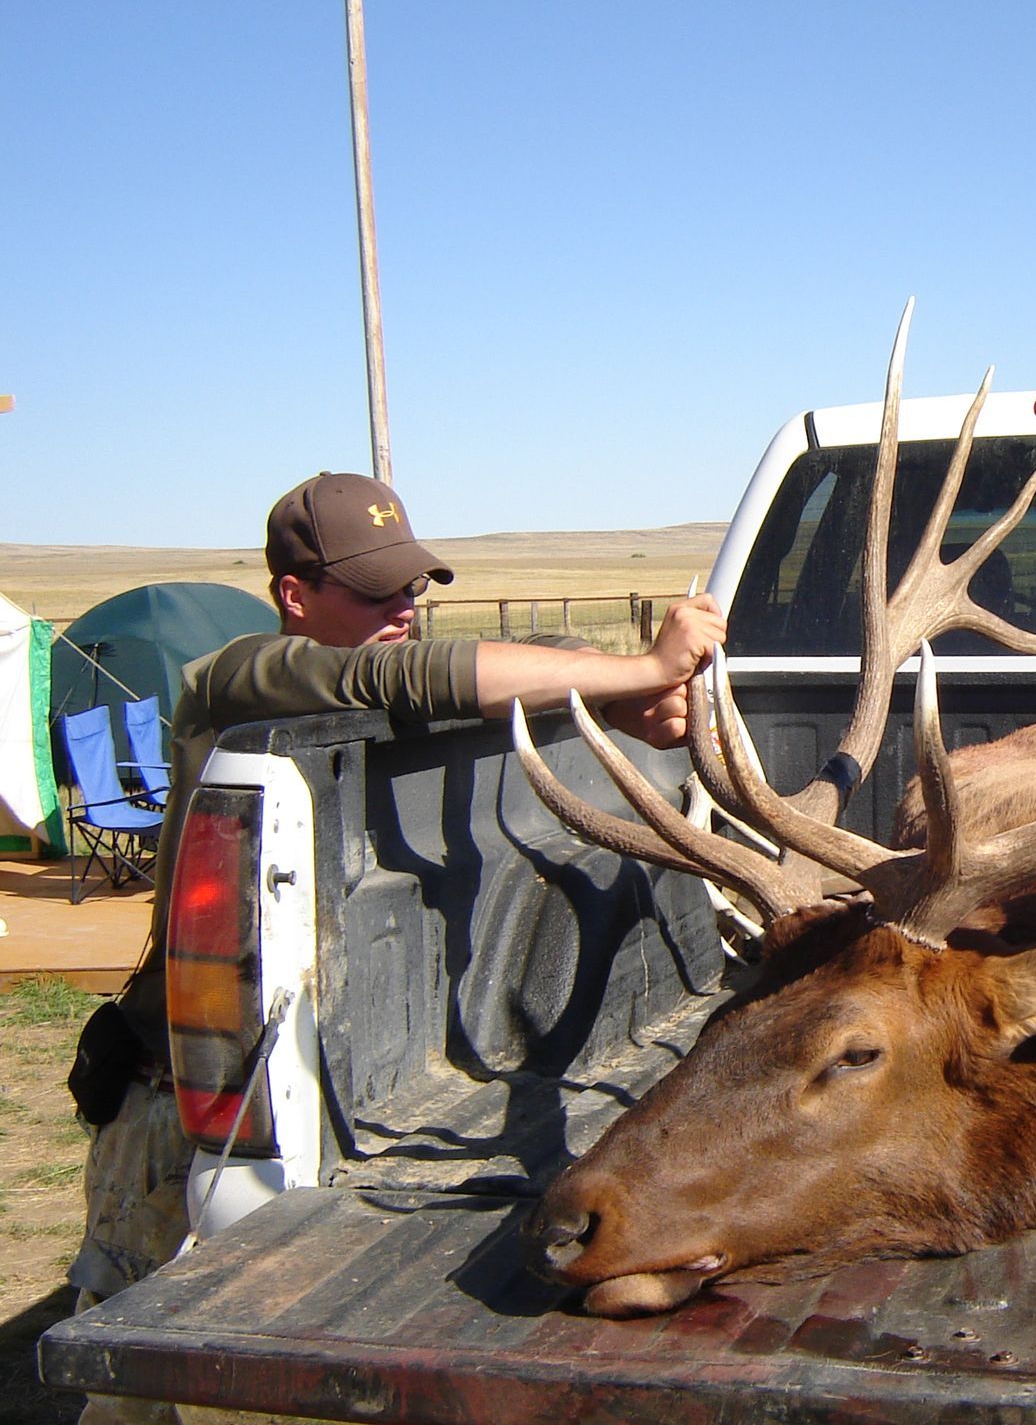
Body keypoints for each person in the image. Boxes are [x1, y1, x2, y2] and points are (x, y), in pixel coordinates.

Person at [66, 472, 724, 1420]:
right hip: (182, 1126)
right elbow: (398, 680)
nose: (404, 610)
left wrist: (619, 700)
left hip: (321, 1102)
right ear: (295, 595)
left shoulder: (382, 692)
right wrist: (641, 671)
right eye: (374, 591)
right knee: (142, 1384)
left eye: (413, 587)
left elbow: (505, 664)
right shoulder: (242, 675)